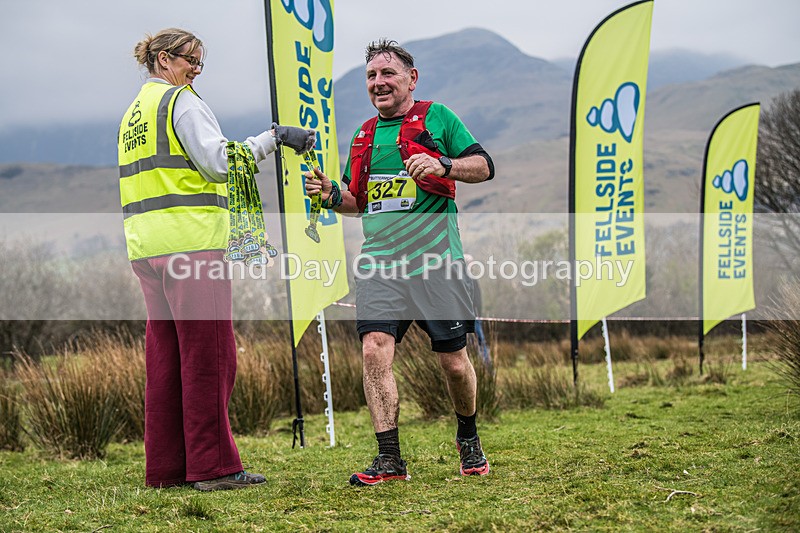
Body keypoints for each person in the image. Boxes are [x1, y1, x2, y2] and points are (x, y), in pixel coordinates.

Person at [119, 28, 314, 491]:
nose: (197, 70)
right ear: (165, 59)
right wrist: (273, 138)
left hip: (147, 249)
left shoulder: (133, 114)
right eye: (192, 60)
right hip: (192, 247)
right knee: (210, 357)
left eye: (201, 62)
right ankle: (215, 468)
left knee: (166, 360)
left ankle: (167, 470)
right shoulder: (180, 101)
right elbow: (220, 162)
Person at [305, 39, 495, 485]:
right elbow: (358, 201)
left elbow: (484, 166)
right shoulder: (363, 135)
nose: (378, 82)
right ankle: (389, 458)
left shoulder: (437, 118)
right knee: (374, 349)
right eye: (371, 76)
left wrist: (443, 164)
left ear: (412, 78)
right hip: (380, 265)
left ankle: (468, 437)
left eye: (387, 73)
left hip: (436, 262)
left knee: (453, 363)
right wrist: (331, 195)